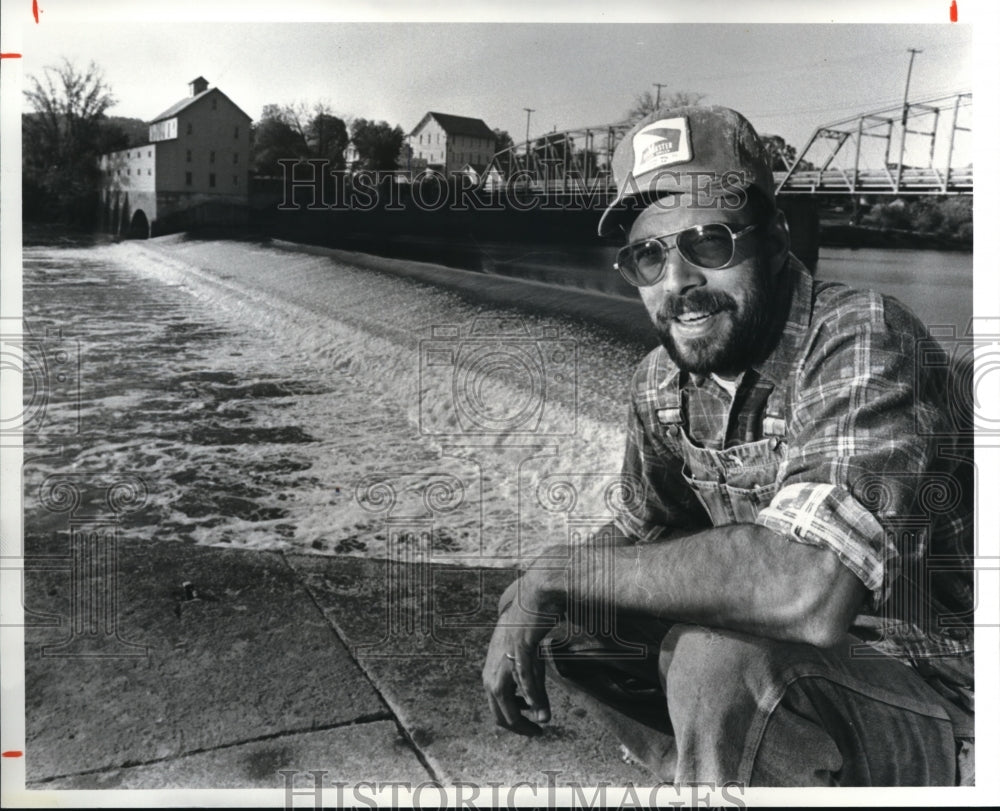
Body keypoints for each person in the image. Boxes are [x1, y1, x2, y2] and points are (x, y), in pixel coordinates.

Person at [482, 106, 974, 787]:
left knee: (714, 662)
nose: (678, 281)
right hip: (809, 672)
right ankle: (707, 773)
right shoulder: (661, 380)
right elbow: (638, 529)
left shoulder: (862, 334)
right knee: (575, 624)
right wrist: (533, 591)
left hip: (948, 696)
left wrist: (559, 572)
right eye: (648, 256)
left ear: (774, 237)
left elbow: (811, 585)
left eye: (708, 243)